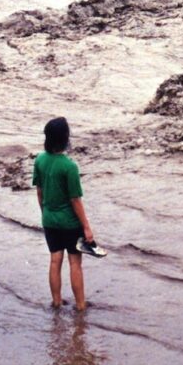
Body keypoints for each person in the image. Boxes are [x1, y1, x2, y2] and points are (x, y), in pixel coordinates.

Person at [33, 117, 104, 311]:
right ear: (65, 138)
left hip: (49, 219)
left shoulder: (39, 160)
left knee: (55, 260)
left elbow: (39, 191)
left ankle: (56, 301)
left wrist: (45, 212)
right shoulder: (69, 166)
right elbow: (75, 200)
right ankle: (80, 305)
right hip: (70, 223)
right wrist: (87, 228)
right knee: (75, 263)